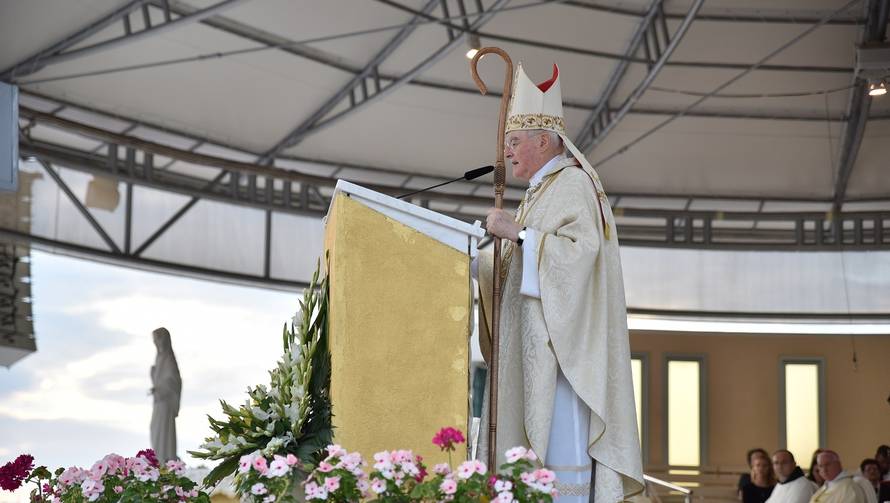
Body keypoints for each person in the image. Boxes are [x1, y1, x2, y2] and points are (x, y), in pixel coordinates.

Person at [476, 62, 643, 503]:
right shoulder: (538, 193)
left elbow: (578, 260)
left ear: (544, 140)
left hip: (563, 363)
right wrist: (485, 260)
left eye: (514, 142)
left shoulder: (572, 184)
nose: (507, 152)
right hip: (535, 358)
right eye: (507, 143)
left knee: (558, 475)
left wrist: (518, 235)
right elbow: (517, 276)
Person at [150, 327, 182, 462]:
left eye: (158, 339)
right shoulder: (159, 358)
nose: (156, 343)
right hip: (158, 401)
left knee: (163, 433)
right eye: (155, 340)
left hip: (165, 401)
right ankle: (160, 460)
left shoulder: (168, 357)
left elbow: (173, 380)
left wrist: (160, 388)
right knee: (154, 430)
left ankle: (166, 460)